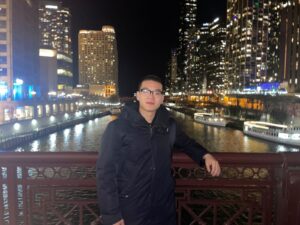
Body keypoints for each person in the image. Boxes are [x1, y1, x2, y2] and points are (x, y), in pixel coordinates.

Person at [96, 75, 221, 225]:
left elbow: (187, 143)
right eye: (146, 91)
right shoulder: (118, 128)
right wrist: (112, 215)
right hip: (131, 209)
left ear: (162, 98)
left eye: (157, 92)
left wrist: (205, 155)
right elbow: (105, 172)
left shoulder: (168, 125)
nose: (151, 96)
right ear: (138, 95)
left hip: (163, 208)